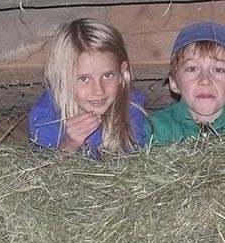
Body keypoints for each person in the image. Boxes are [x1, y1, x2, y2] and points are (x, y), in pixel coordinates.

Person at [28, 18, 146, 156]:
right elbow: (42, 166)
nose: (98, 90)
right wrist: (67, 146)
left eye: (107, 75)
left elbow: (133, 158)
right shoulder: (44, 118)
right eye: (84, 79)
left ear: (122, 72)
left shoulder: (130, 107)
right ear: (63, 78)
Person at [147, 21, 225, 150]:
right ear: (174, 83)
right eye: (192, 69)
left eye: (218, 70)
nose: (205, 80)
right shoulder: (154, 130)